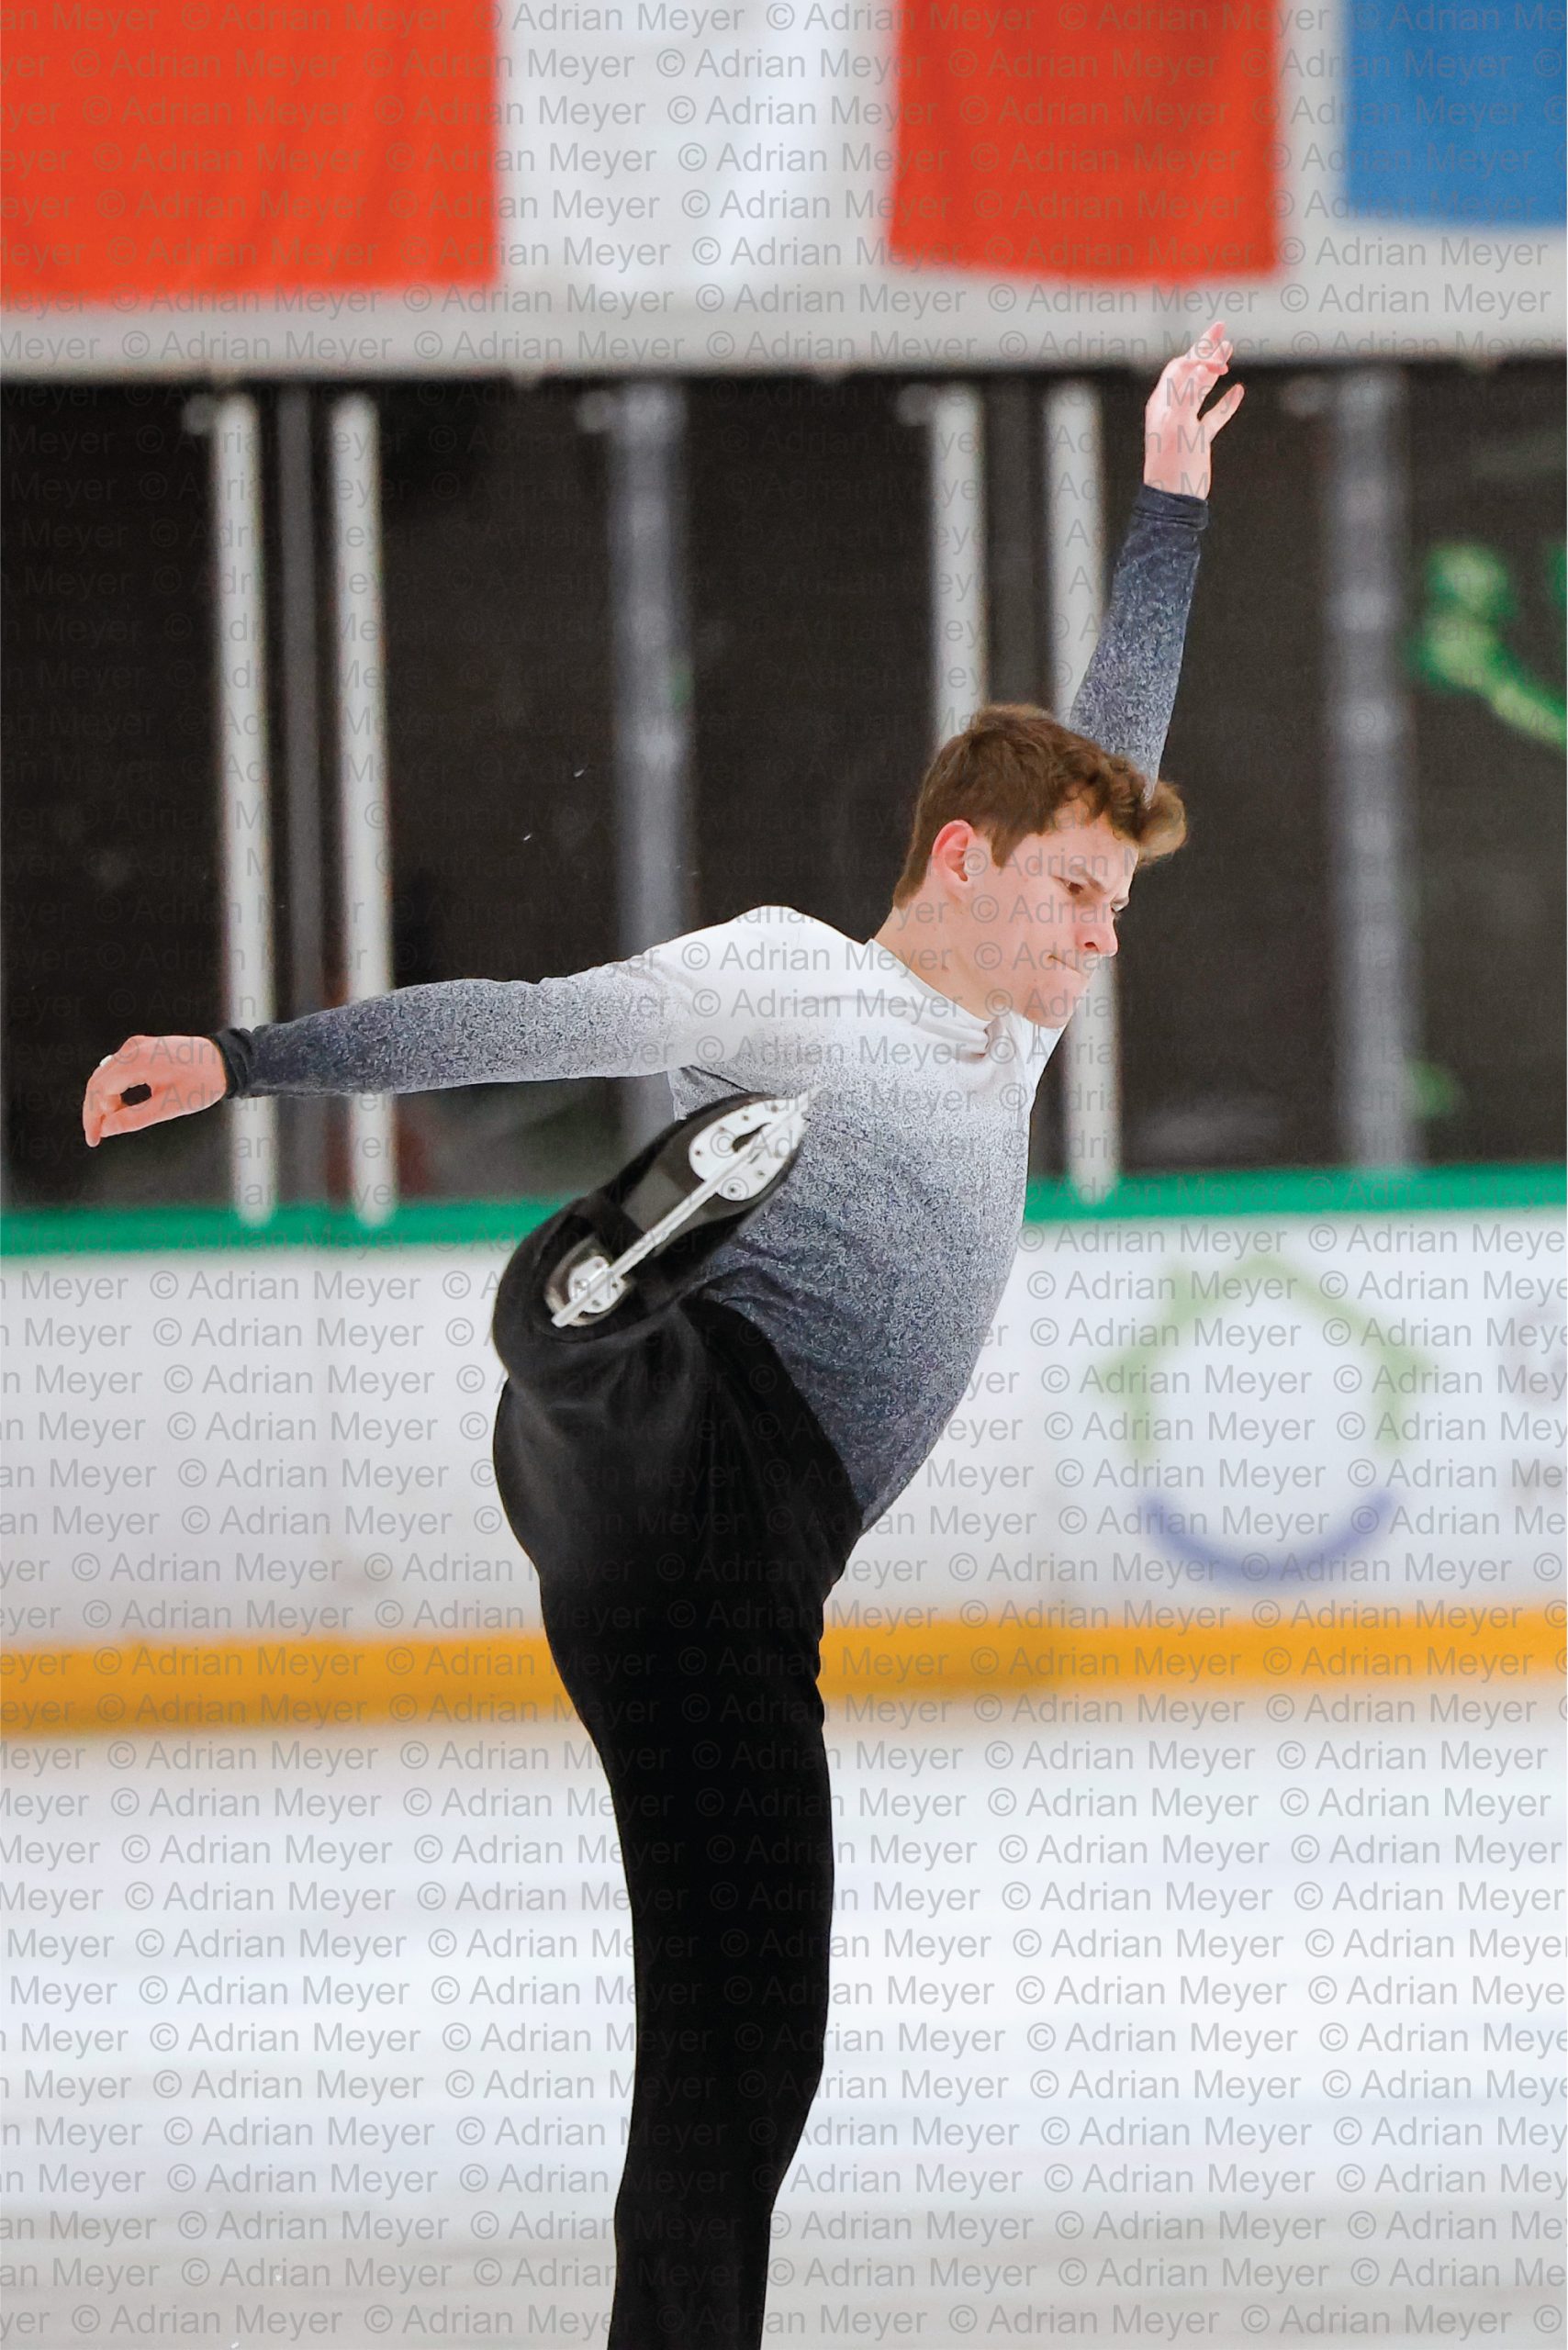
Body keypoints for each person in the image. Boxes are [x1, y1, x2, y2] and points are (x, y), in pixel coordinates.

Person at [82, 328, 1242, 2350]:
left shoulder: (1014, 1025)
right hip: (677, 1437)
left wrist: (1168, 498)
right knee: (651, 1352)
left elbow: (1110, 746)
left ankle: (589, 1300)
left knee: (743, 2047)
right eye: (1070, 890)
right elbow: (520, 1016)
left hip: (720, 1586)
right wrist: (241, 1059)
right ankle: (582, 1297)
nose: (1099, 935)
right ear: (957, 860)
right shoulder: (786, 979)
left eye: (1109, 902)